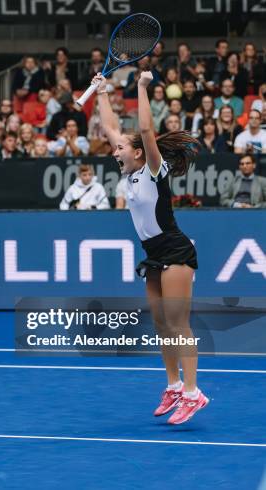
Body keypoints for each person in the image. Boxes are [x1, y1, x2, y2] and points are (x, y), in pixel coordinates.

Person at [95, 70, 208, 424]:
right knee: (160, 324)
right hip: (153, 255)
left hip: (175, 251)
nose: (116, 150)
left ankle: (193, 393)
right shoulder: (129, 173)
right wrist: (101, 93)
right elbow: (112, 128)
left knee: (179, 325)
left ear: (140, 154)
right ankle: (173, 385)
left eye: (122, 148)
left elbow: (144, 131)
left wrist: (142, 87)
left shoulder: (153, 171)